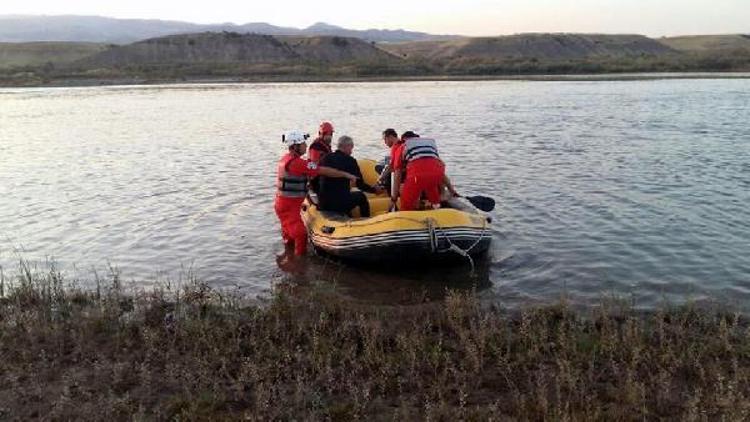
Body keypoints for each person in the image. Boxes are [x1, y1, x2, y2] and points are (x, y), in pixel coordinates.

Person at [275, 130, 358, 257]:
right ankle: (299, 268)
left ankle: (289, 260)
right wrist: (346, 174)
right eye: (303, 143)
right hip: (289, 206)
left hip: (284, 204)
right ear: (295, 146)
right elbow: (323, 170)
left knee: (289, 236)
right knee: (300, 235)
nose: (306, 146)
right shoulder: (297, 163)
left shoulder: (286, 159)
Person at [391, 131, 457, 211]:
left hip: (416, 176)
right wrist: (451, 190)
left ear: (404, 140)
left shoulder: (403, 146)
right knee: (431, 188)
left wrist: (394, 198)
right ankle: (437, 208)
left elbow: (397, 174)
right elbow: (439, 168)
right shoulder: (429, 145)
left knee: (406, 204)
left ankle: (407, 215)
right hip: (437, 174)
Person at [319, 136, 383, 217]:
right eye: (351, 148)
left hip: (324, 203)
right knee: (361, 196)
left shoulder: (326, 157)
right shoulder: (350, 161)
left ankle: (348, 214)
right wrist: (374, 190)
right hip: (339, 204)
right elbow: (360, 184)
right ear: (347, 146)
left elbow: (316, 177)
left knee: (345, 193)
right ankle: (366, 220)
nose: (351, 152)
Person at [375, 128, 399, 192]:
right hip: (406, 171)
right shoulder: (403, 143)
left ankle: (389, 190)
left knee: (378, 167)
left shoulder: (396, 147)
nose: (385, 143)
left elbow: (388, 167)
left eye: (385, 140)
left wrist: (379, 180)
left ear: (390, 137)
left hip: (398, 173)